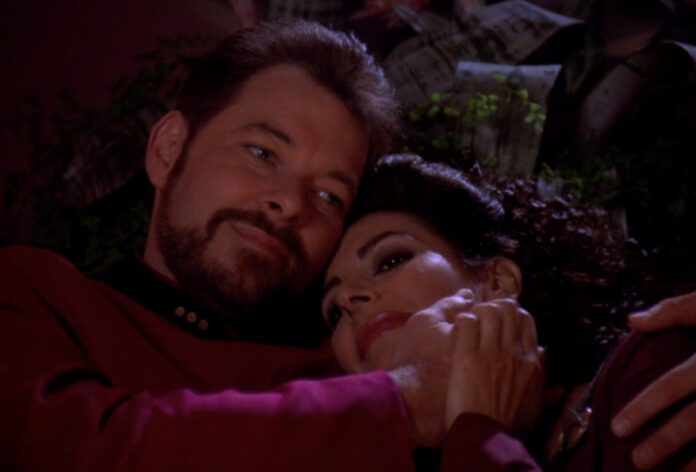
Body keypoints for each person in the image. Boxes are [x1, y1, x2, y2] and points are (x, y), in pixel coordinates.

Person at [0, 20, 481, 471]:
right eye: (262, 153)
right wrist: (399, 407)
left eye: (328, 196)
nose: (290, 204)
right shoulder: (33, 294)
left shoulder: (352, 363)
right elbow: (70, 450)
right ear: (168, 149)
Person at [321, 153, 696, 470]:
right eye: (333, 311)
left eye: (391, 260)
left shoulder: (651, 373)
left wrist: (482, 436)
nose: (348, 297)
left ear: (498, 280)